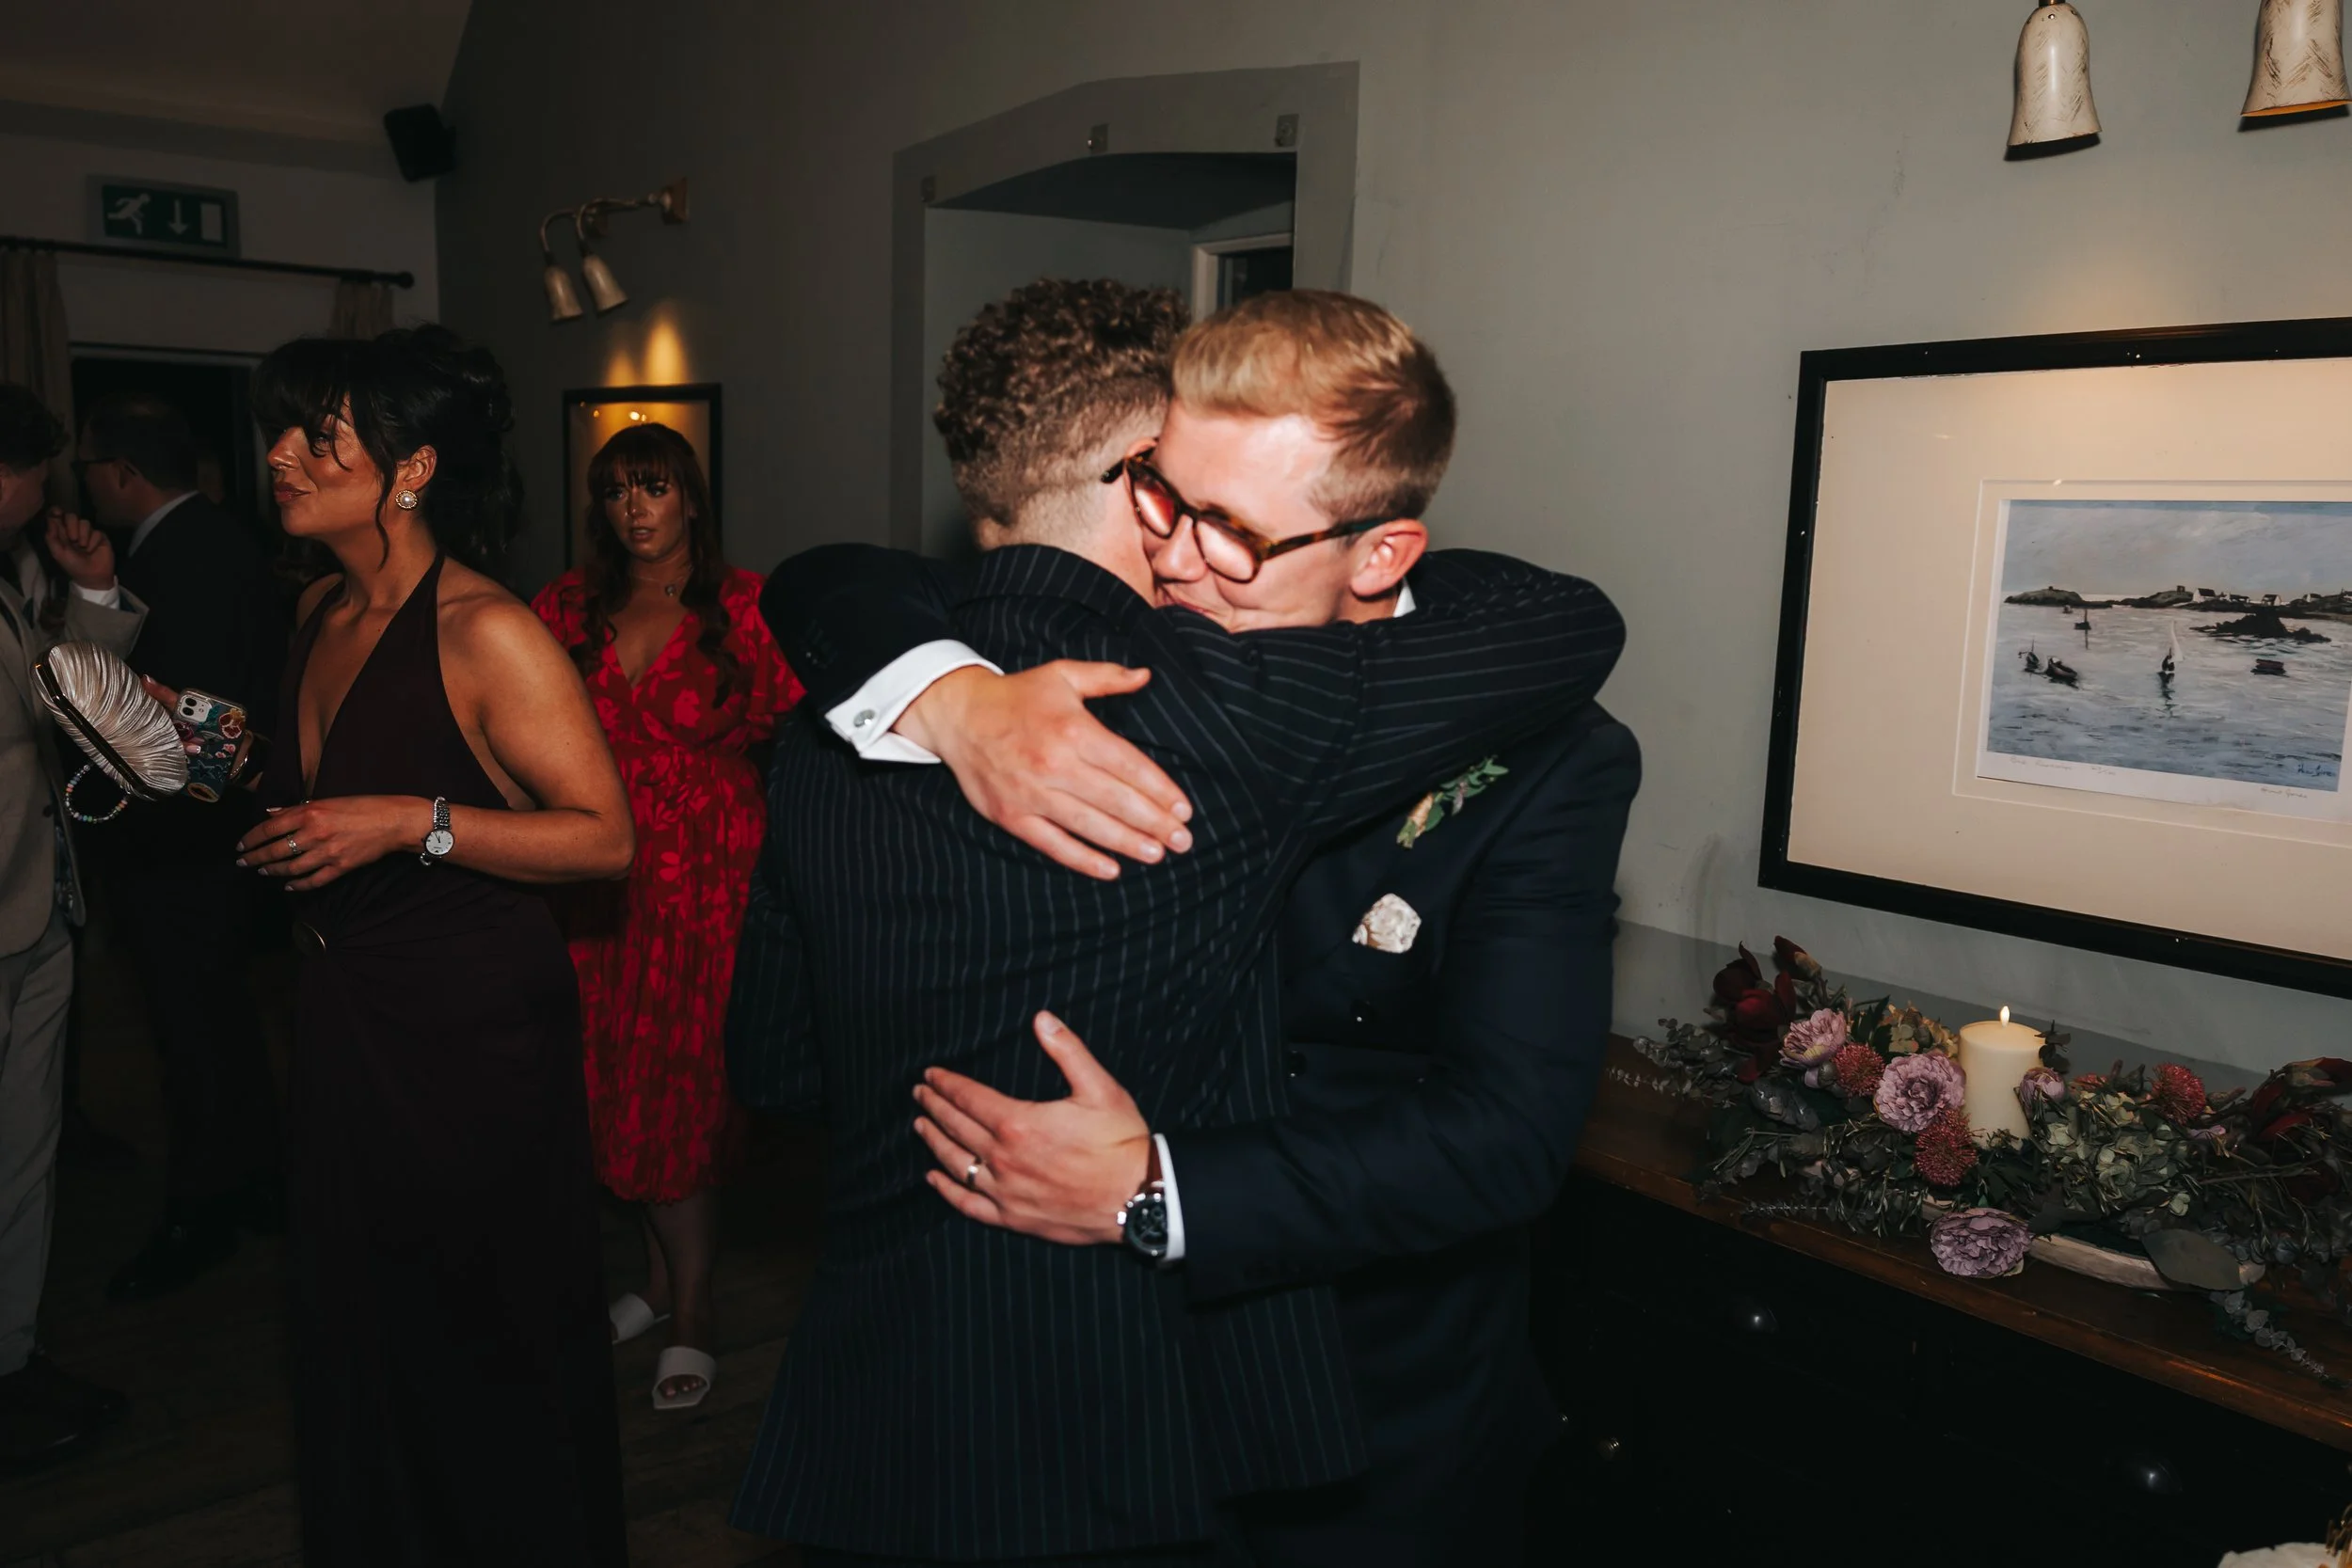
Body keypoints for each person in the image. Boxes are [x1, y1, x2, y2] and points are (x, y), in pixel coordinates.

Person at [728, 278, 1626, 1566]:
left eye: (1232, 529)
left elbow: (1503, 1138)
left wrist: (1161, 1187)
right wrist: (947, 695)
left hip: (1375, 1401)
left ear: (1378, 552)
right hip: (1114, 1392)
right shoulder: (1082, 675)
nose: (1175, 556)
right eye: (1164, 498)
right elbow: (853, 577)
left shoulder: (1549, 754)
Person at [230, 327, 633, 1564]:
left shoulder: (484, 629)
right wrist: (213, 762)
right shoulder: (314, 606)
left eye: (319, 433)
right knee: (362, 1324)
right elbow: (323, 796)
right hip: (346, 1023)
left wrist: (416, 821)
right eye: (282, 431)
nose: (284, 456)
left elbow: (604, 839)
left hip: (468, 1040)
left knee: (478, 1331)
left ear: (408, 469)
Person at [532, 421, 803, 1411]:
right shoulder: (566, 604)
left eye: (652, 487)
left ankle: (695, 1305)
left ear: (691, 496)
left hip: (705, 877)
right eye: (615, 491)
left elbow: (807, 739)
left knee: (679, 1090)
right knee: (607, 1076)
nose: (634, 508)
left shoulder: (749, 604)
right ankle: (651, 1278)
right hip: (593, 870)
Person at [73, 392, 287, 1302]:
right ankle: (253, 1184)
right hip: (214, 839)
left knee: (195, 1034)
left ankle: (205, 1208)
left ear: (122, 473)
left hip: (190, 845)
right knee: (221, 1027)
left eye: (88, 468)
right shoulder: (214, 539)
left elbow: (197, 721)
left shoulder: (185, 555)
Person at [0, 384, 140, 1467]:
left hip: (38, 903)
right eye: (35, 469)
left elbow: (70, 705)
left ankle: (12, 1356)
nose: (48, 488)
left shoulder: (16, 573)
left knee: (27, 1149)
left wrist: (91, 591)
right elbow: (61, 711)